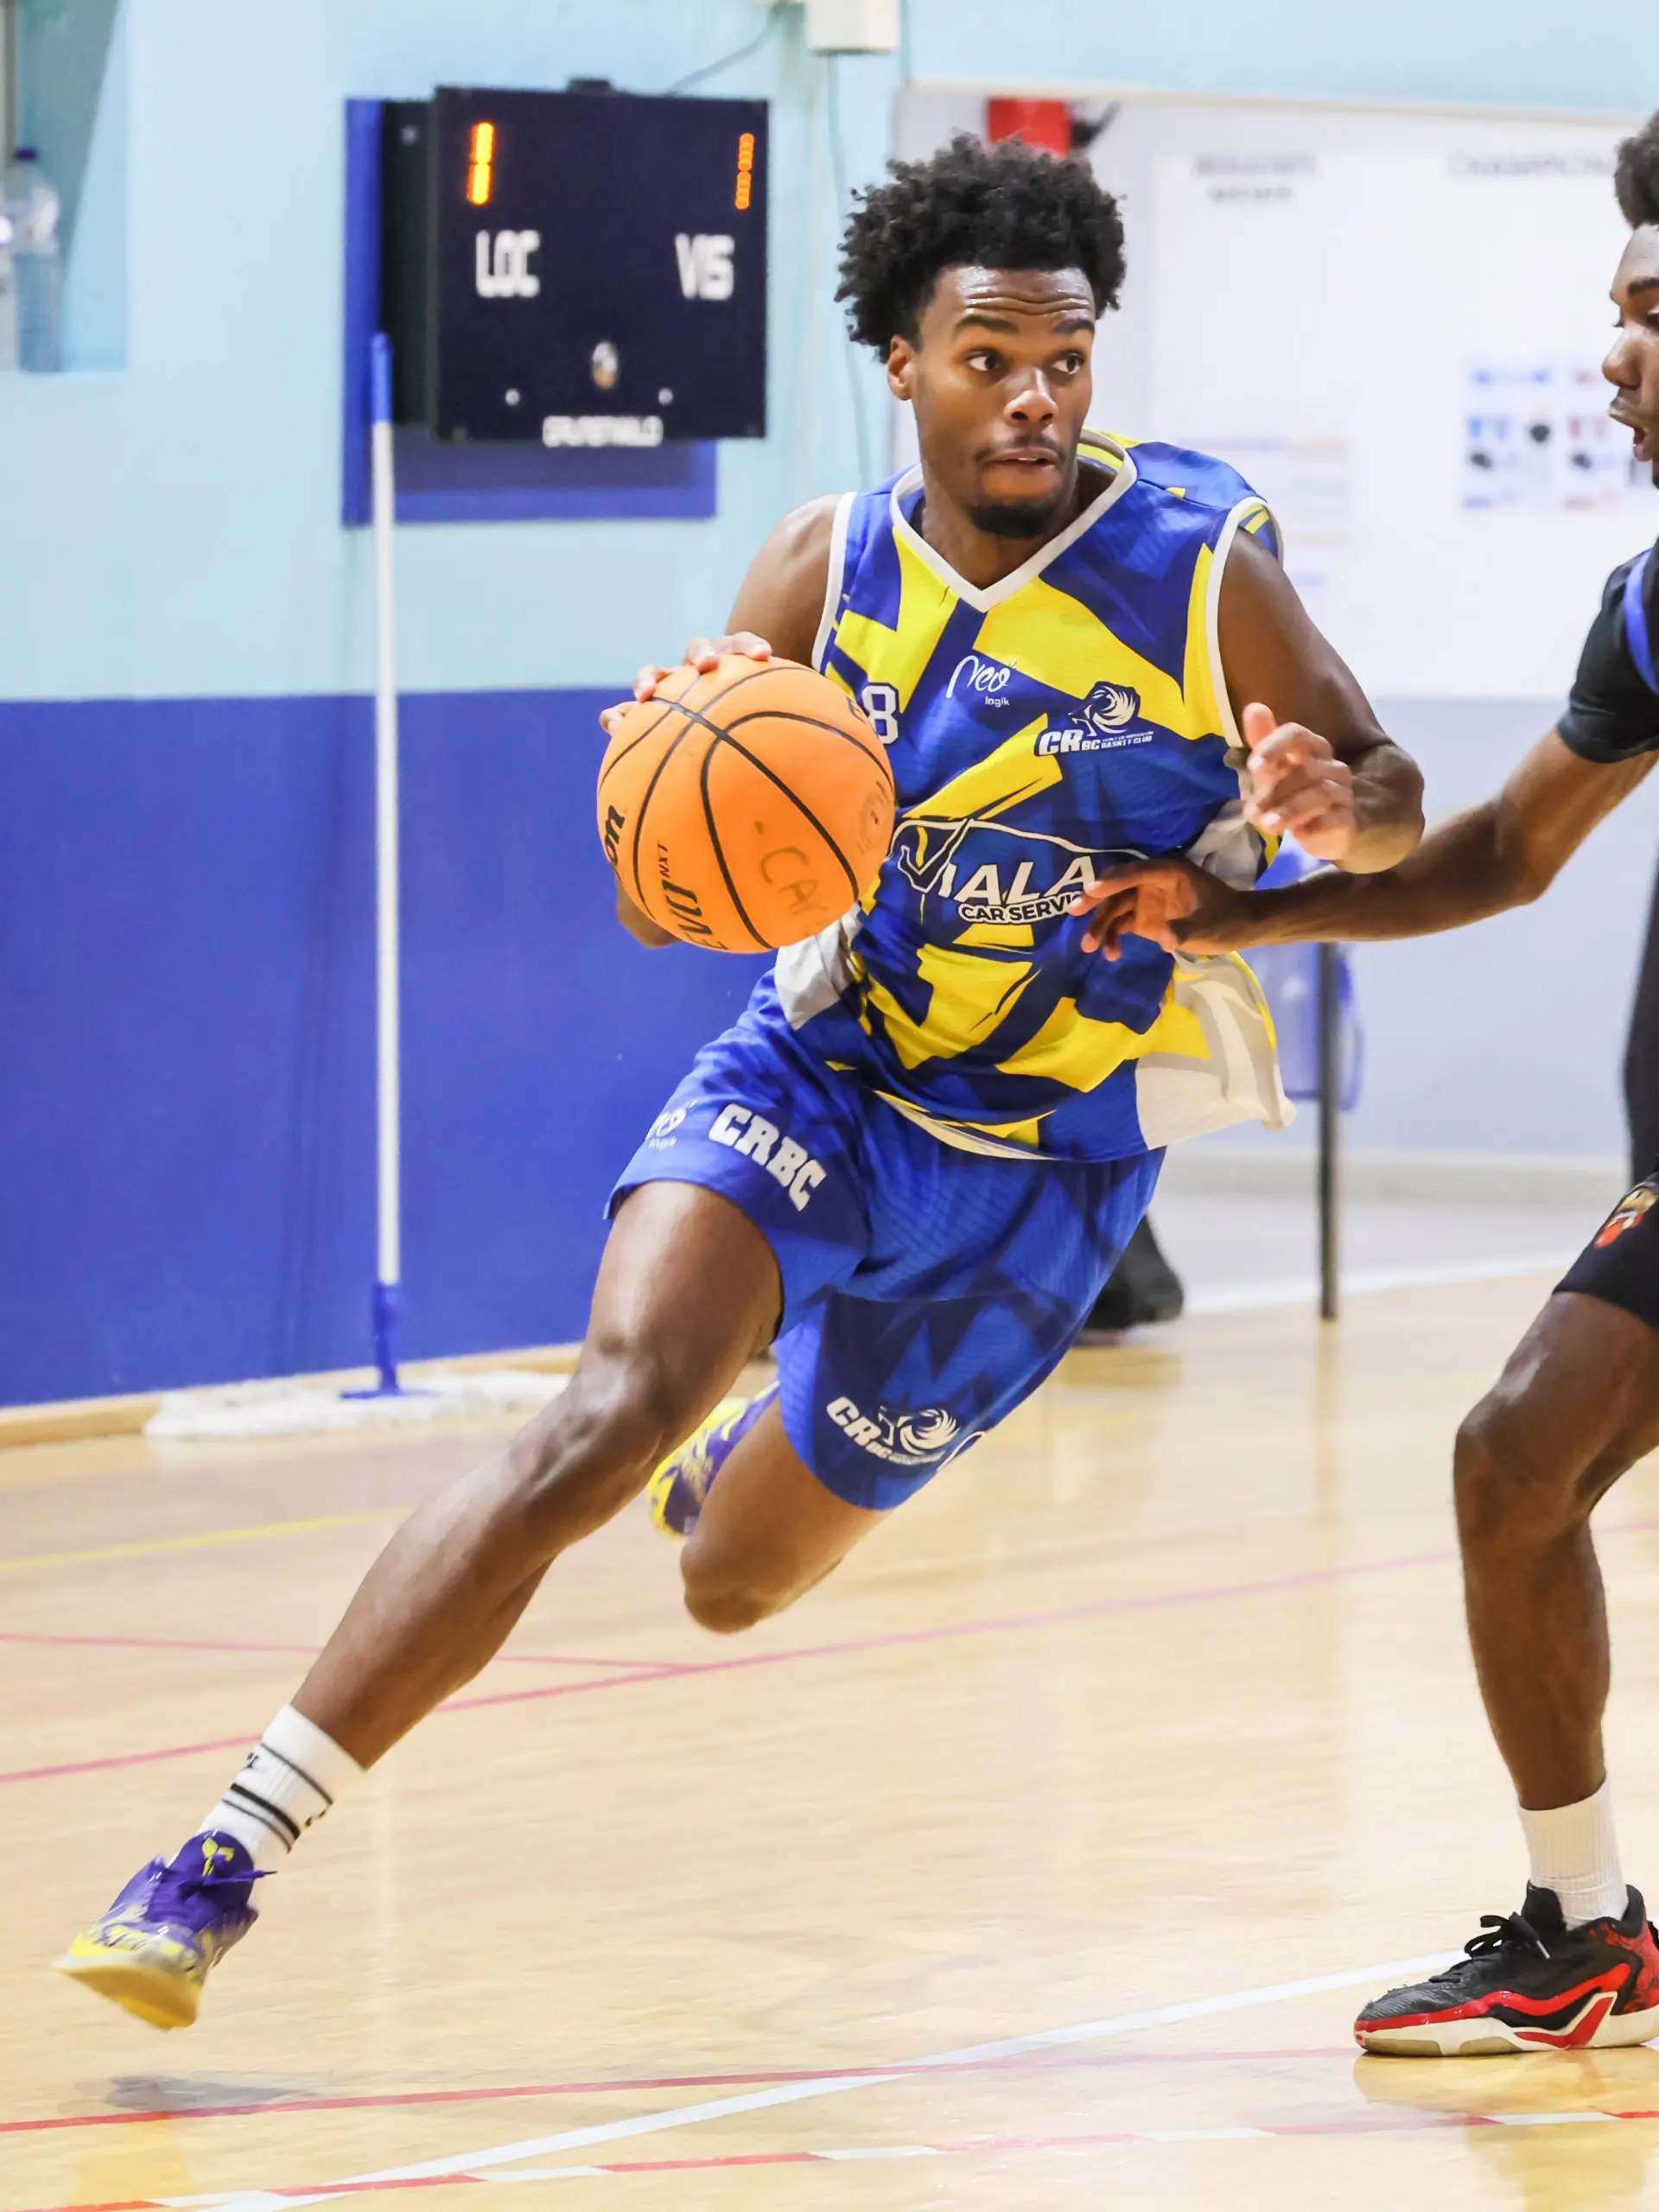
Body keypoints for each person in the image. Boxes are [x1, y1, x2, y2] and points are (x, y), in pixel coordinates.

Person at [55, 135, 1421, 2031]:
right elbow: (667, 893)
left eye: (1067, 359)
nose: (1035, 396)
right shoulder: (821, 567)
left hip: (1044, 1171)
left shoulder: (1201, 577)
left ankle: (754, 1435)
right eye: (991, 358)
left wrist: (1325, 803)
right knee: (600, 1414)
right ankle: (220, 1856)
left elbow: (1392, 795)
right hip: (828, 1068)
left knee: (728, 1580)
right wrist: (669, 809)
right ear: (902, 360)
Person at [1070, 107, 1659, 2063]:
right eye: (1618, 312)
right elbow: (1497, 852)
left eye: (1655, 317)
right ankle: (1583, 1934)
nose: (1615, 360)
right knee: (1515, 1462)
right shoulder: (1655, 605)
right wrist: (1240, 910)